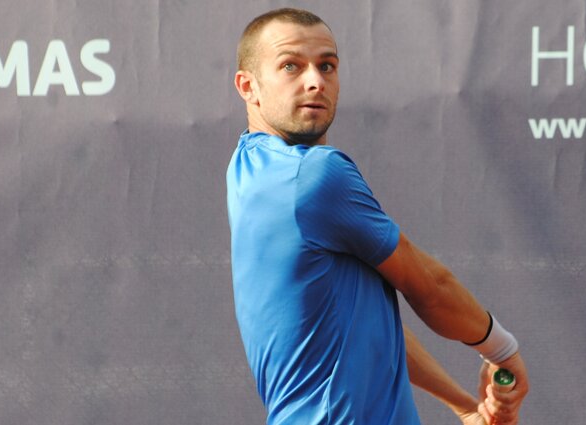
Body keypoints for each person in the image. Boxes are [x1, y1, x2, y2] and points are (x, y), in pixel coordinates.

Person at [226, 8, 528, 425]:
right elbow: (431, 286)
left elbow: (361, 324)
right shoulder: (314, 175)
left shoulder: (249, 166)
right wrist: (500, 349)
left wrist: (463, 405)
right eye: (291, 65)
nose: (315, 80)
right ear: (248, 86)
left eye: (326, 65)